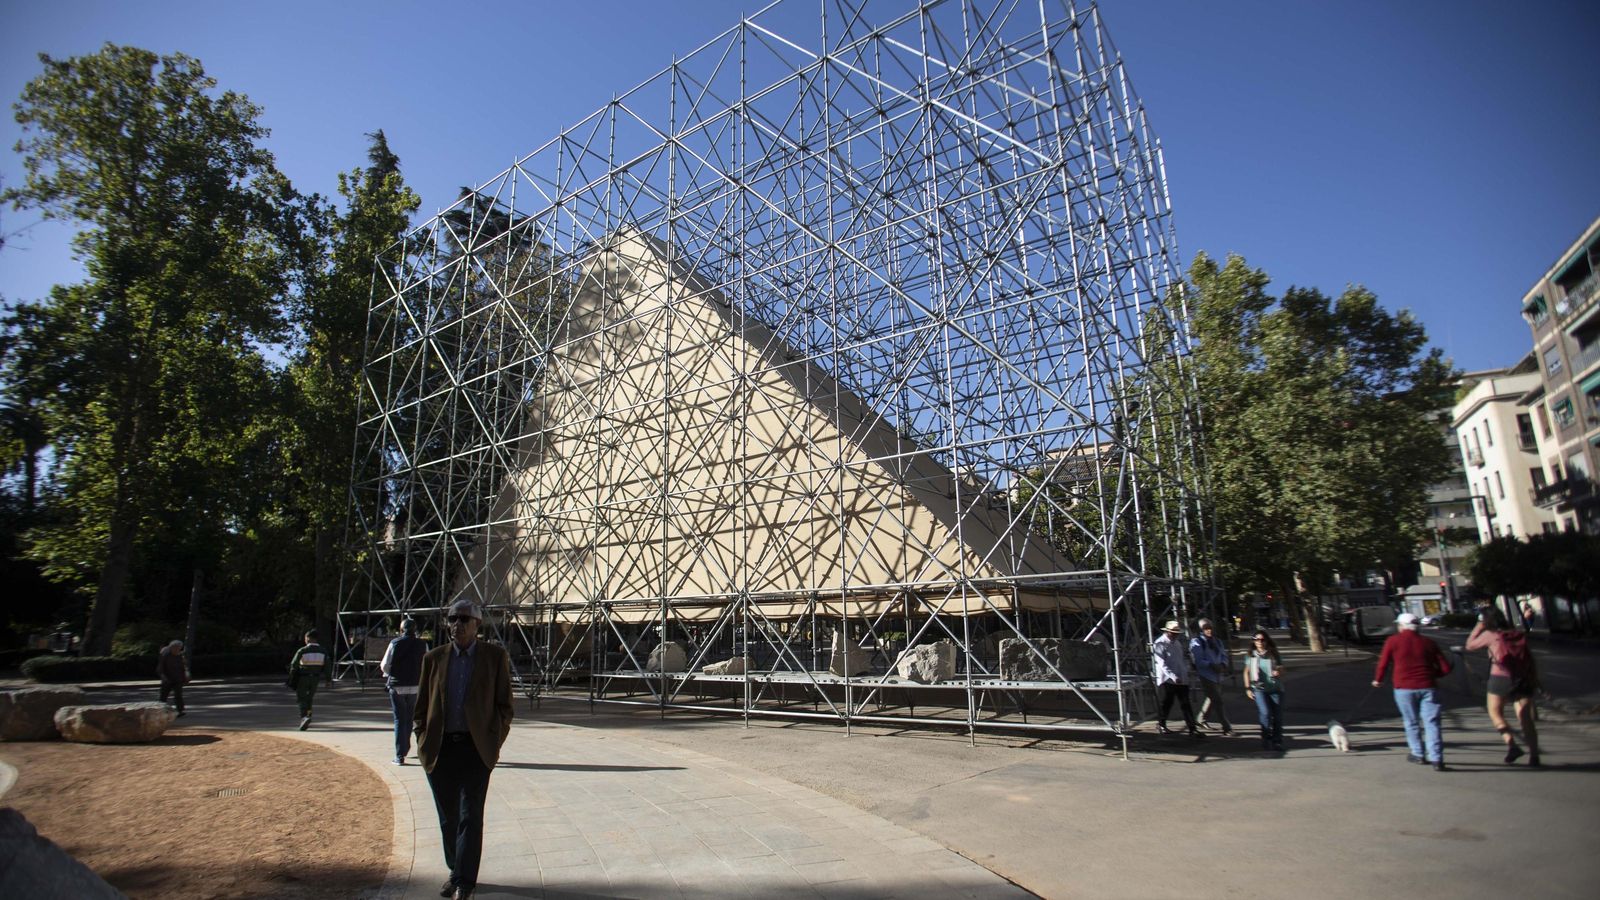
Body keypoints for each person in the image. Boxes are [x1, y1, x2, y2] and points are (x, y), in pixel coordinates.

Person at [414, 598, 514, 900]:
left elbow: (505, 705)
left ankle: (464, 881)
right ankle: (455, 869)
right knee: (449, 817)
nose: (456, 624)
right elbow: (421, 705)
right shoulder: (433, 658)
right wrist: (422, 738)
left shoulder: (494, 657)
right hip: (440, 747)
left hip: (475, 748)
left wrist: (493, 740)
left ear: (477, 625)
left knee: (470, 815)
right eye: (452, 619)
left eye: (463, 619)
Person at [1371, 612, 1453, 771]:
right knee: (1432, 723)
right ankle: (1437, 758)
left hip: (1404, 687)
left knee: (1411, 722)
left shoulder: (1392, 641)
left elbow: (1383, 664)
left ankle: (1418, 754)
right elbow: (1445, 668)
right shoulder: (1429, 642)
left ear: (1402, 626)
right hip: (1428, 686)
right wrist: (1432, 675)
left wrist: (1378, 680)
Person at [1466, 607, 1541, 767]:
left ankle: (1512, 745)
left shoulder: (1491, 634)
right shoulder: (1516, 633)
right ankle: (1534, 756)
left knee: (1495, 712)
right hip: (1522, 678)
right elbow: (1529, 657)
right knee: (1525, 718)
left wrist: (1479, 626)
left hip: (1499, 679)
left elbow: (1470, 645)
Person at [381, 617, 428, 765]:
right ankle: (406, 747)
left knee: (399, 719)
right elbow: (427, 664)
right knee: (409, 718)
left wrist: (392, 673)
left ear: (402, 629)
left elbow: (385, 665)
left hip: (397, 686)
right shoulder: (423, 644)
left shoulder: (395, 643)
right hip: (415, 686)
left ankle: (400, 754)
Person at [1152, 620, 1202, 737]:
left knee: (1185, 703)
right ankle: (1161, 723)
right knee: (1167, 702)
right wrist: (1173, 676)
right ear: (1168, 632)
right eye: (1173, 633)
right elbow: (1161, 663)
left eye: (1176, 633)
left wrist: (1184, 673)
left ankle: (1192, 728)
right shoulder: (1160, 643)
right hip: (1167, 679)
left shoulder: (1177, 643)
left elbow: (1180, 660)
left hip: (1181, 677)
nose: (1175, 635)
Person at [1188, 618, 1233, 734]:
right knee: (1218, 701)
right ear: (1200, 630)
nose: (1209, 630)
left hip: (1218, 675)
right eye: (1205, 628)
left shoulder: (1217, 641)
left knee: (1212, 698)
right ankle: (1227, 727)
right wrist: (1211, 665)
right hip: (1206, 675)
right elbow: (1198, 660)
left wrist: (1223, 664)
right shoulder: (1197, 642)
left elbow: (1223, 655)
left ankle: (1201, 719)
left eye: (1210, 627)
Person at [1243, 631, 1285, 752]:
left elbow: (1282, 669)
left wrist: (1278, 671)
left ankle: (1277, 741)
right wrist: (1247, 688)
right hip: (1259, 688)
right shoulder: (1250, 655)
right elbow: (1246, 672)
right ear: (1253, 641)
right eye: (1257, 640)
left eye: (1262, 640)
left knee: (1277, 716)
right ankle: (1265, 737)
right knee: (1265, 713)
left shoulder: (1273, 653)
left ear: (1266, 641)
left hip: (1275, 688)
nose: (1260, 642)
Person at [287, 630, 329, 731]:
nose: (305, 640)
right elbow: (327, 666)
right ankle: (309, 715)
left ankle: (304, 717)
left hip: (303, 678)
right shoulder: (323, 651)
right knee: (310, 698)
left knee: (302, 698)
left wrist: (292, 676)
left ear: (308, 638)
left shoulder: (302, 650)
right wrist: (328, 679)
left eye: (305, 638)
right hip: (315, 679)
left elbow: (293, 665)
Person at [156, 640, 189, 717]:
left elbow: (184, 666)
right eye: (176, 648)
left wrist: (186, 675)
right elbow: (160, 668)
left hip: (178, 678)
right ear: (171, 647)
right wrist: (163, 677)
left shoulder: (180, 656)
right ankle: (160, 710)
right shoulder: (165, 655)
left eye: (179, 648)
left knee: (178, 695)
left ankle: (180, 711)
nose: (177, 650)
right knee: (163, 696)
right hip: (167, 679)